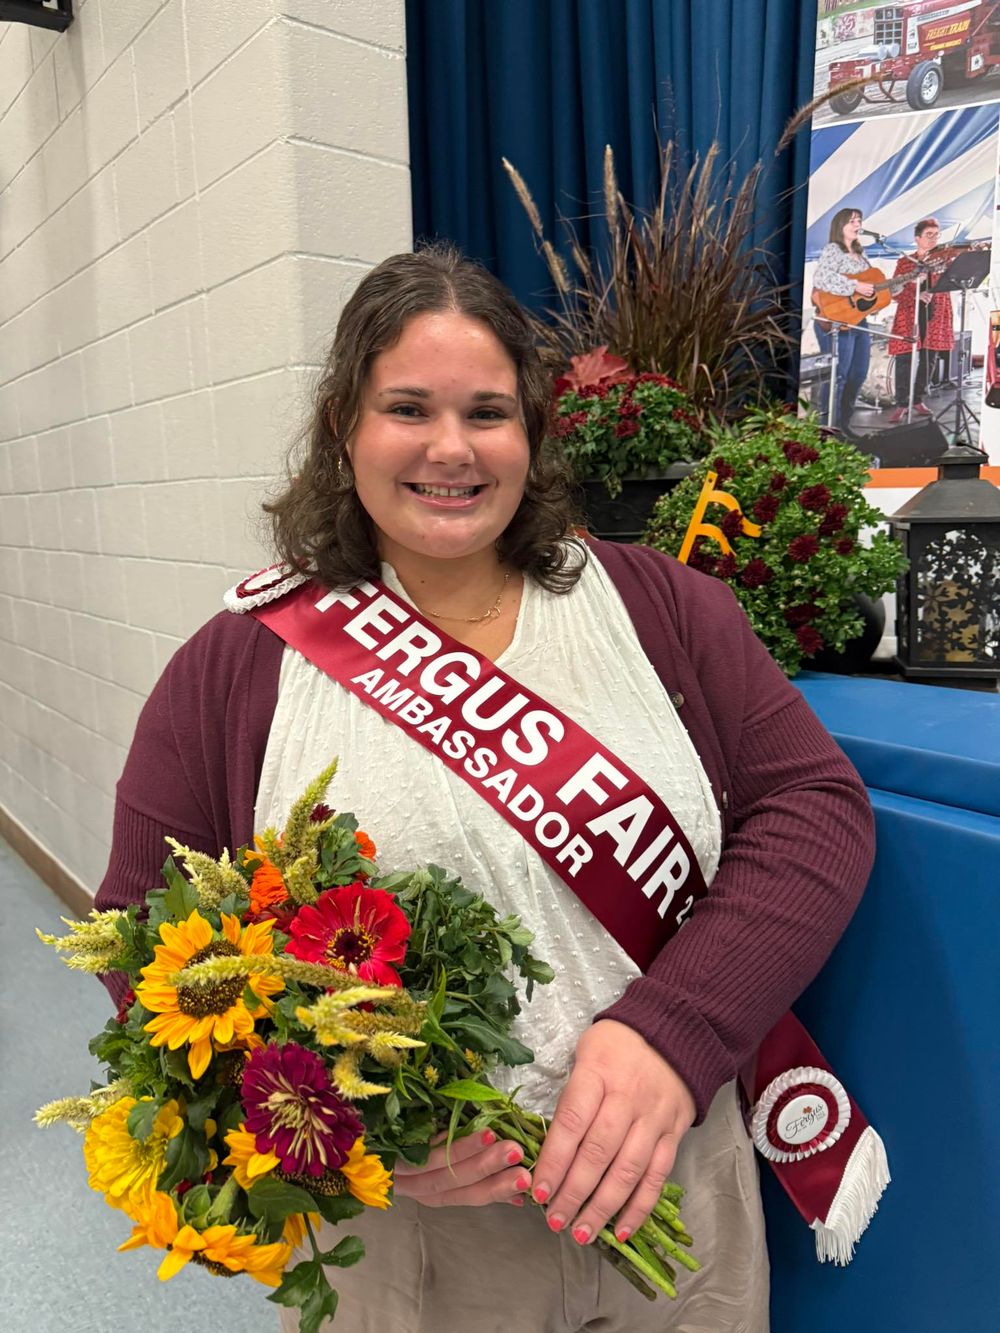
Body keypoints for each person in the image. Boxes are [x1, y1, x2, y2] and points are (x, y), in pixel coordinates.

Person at [95, 245, 875, 1333]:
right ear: (343, 429)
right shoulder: (236, 667)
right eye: (407, 408)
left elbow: (813, 812)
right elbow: (139, 940)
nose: (451, 449)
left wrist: (673, 1029)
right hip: (407, 1250)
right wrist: (346, 1135)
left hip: (674, 1204)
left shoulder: (663, 612)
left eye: (488, 412)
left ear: (534, 431)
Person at [812, 206, 874, 434]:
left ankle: (844, 425)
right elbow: (822, 278)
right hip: (835, 321)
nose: (858, 225)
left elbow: (869, 287)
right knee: (838, 375)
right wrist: (855, 285)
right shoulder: (832, 250)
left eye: (859, 220)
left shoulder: (861, 254)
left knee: (858, 373)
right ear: (840, 226)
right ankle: (829, 428)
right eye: (852, 221)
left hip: (859, 320)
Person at [887, 218, 954, 423]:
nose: (933, 238)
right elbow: (894, 292)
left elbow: (952, 283)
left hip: (936, 315)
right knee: (904, 359)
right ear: (917, 238)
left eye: (936, 234)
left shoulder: (945, 260)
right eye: (929, 234)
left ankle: (917, 399)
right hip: (910, 314)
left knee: (929, 359)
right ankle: (901, 403)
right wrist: (916, 295)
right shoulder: (905, 262)